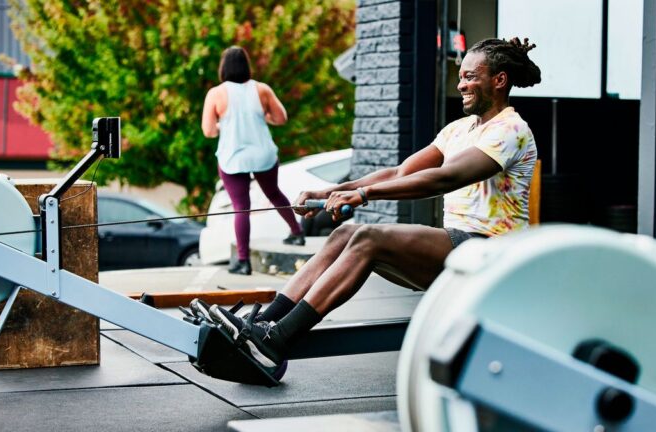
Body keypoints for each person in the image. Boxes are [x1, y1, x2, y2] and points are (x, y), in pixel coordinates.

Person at [208, 37, 542, 376]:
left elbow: (445, 178)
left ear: (499, 80)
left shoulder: (511, 129)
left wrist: (366, 195)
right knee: (344, 235)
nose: (461, 84)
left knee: (368, 238)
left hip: (490, 255)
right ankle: (260, 323)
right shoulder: (459, 129)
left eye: (471, 76)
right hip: (458, 250)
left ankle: (276, 339)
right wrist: (331, 192)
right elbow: (400, 172)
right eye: (461, 75)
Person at [201, 46, 305, 276]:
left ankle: (243, 261)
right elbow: (281, 118)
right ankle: (297, 232)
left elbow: (208, 131)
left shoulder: (216, 94)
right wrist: (261, 116)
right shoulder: (262, 89)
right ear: (246, 66)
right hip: (263, 154)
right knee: (274, 194)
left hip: (233, 157)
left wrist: (224, 125)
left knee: (241, 208)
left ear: (223, 67)